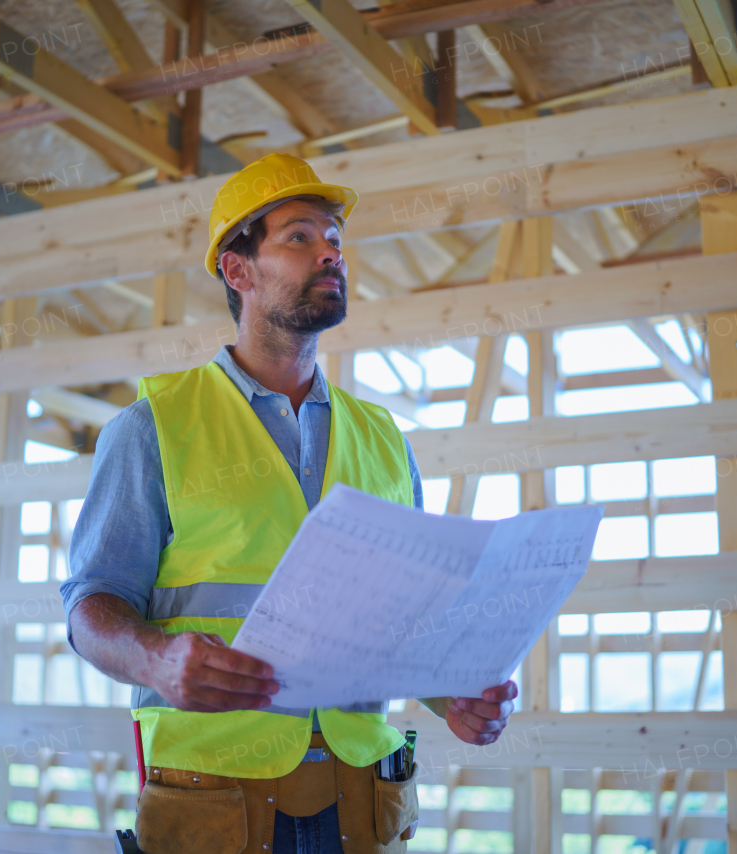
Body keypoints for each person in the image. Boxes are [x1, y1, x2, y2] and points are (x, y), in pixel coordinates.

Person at [63, 153, 516, 854]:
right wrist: (155, 659)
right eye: (301, 236)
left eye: (334, 239)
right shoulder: (153, 427)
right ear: (238, 271)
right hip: (215, 799)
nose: (330, 252)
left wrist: (449, 688)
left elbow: (407, 615)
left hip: (366, 794)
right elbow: (91, 606)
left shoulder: (383, 438)